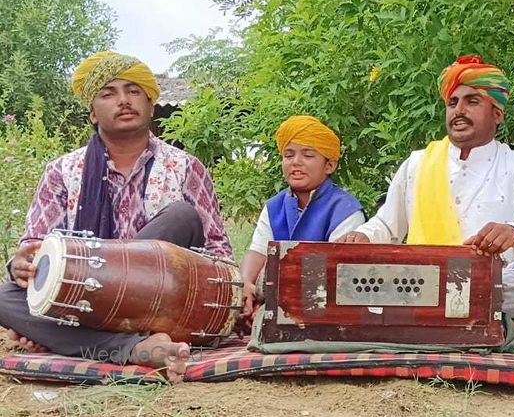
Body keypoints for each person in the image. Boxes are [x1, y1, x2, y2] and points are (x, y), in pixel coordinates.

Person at [0, 51, 233, 383]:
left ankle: (70, 340)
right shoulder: (62, 172)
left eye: (133, 90)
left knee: (181, 217)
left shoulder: (185, 167)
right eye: (109, 93)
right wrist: (20, 264)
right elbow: (36, 252)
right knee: (5, 297)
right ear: (93, 113)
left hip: (161, 304)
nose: (123, 100)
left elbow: (220, 258)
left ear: (151, 103)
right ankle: (133, 349)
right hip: (84, 302)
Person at [337, 55, 514, 333]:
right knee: (358, 272)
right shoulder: (418, 162)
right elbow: (387, 224)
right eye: (452, 103)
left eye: (472, 101)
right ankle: (497, 319)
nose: (459, 110)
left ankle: (460, 315)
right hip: (421, 281)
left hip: (489, 283)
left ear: (497, 114)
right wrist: (365, 235)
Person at [239, 115, 365, 321]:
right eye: (288, 156)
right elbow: (258, 251)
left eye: (307, 155)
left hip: (325, 309)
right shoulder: (274, 206)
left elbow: (337, 276)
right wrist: (245, 284)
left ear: (329, 166)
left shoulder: (346, 211)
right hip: (273, 301)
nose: (296, 162)